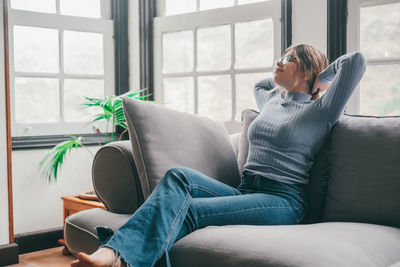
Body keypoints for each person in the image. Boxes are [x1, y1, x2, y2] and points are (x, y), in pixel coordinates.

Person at [70, 44, 366, 267]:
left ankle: (115, 254)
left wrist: (319, 79)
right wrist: (289, 73)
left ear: (307, 70)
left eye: (289, 58)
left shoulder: (321, 111)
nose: (279, 60)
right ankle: (121, 257)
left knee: (187, 211)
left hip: (284, 200)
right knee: (178, 178)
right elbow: (260, 85)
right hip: (246, 189)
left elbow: (356, 62)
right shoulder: (273, 102)